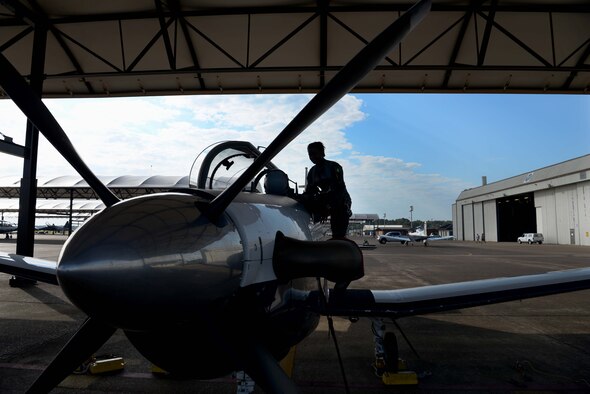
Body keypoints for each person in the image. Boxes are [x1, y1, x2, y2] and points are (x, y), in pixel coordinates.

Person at [302, 141, 352, 239]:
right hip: (326, 201)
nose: (312, 157)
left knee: (338, 233)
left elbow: (339, 189)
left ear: (322, 153)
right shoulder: (312, 172)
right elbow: (310, 191)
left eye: (314, 153)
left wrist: (328, 207)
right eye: (310, 154)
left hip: (341, 202)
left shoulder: (334, 167)